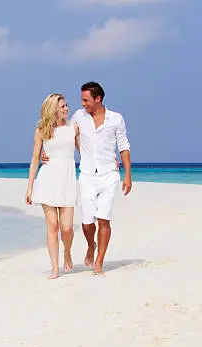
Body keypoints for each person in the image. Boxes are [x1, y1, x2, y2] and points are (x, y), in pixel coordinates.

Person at [44, 81, 132, 276]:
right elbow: (62, 134)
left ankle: (99, 261)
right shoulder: (78, 117)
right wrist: (46, 151)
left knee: (104, 219)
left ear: (97, 99)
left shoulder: (116, 119)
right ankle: (90, 246)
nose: (83, 104)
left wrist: (128, 175)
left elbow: (124, 147)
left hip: (109, 175)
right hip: (86, 176)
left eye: (86, 100)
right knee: (87, 222)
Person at [25, 93, 80, 279]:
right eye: (62, 106)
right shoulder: (42, 130)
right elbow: (34, 158)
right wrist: (30, 187)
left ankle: (67, 251)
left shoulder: (74, 127)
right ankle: (55, 267)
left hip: (67, 180)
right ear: (53, 109)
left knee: (67, 228)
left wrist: (106, 161)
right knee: (53, 225)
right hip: (48, 179)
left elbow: (85, 152)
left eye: (66, 105)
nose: (66, 109)